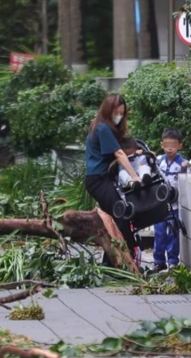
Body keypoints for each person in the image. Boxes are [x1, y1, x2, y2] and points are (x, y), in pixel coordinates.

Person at [84, 94, 140, 264]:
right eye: (117, 112)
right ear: (108, 111)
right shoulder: (103, 128)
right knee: (120, 214)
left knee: (114, 218)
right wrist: (135, 176)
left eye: (122, 113)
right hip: (98, 179)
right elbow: (119, 153)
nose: (119, 116)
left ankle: (109, 264)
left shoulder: (102, 127)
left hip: (100, 179)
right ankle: (122, 260)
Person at [153, 128, 188, 272]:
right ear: (162, 145)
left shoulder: (183, 164)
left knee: (173, 233)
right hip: (160, 205)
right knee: (159, 233)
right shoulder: (158, 162)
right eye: (166, 145)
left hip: (174, 206)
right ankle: (158, 261)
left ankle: (173, 261)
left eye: (173, 145)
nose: (169, 148)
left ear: (180, 146)